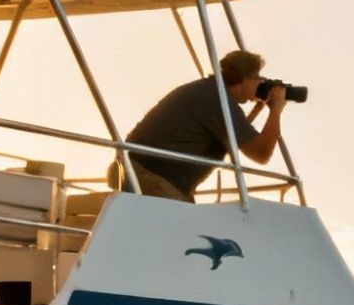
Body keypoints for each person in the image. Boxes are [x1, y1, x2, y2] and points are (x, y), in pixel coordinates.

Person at [122, 49, 288, 201]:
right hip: (151, 177)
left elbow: (230, 139)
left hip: (134, 169)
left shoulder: (209, 91)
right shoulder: (219, 101)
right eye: (258, 78)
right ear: (242, 78)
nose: (261, 82)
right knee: (189, 231)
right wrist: (275, 110)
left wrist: (258, 110)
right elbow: (261, 153)